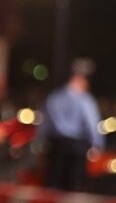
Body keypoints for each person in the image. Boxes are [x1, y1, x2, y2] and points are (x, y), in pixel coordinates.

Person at [40, 64, 103, 192]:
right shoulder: (84, 100)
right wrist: (97, 144)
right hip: (77, 146)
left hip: (57, 145)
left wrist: (40, 142)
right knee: (74, 187)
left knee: (54, 185)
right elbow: (92, 123)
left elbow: (44, 124)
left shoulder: (54, 98)